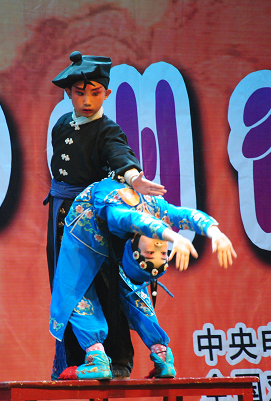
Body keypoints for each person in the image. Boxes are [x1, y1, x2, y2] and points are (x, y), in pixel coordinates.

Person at [45, 51, 166, 379]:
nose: (87, 100)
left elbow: (120, 155)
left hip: (93, 220)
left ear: (106, 94)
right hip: (63, 217)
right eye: (80, 92)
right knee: (69, 284)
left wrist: (133, 178)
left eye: (95, 93)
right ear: (68, 92)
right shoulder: (61, 125)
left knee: (103, 284)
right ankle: (80, 358)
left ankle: (113, 358)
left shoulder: (107, 130)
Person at [50, 177, 237, 380]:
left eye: (162, 252)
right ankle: (108, 357)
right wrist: (174, 236)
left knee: (135, 293)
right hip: (83, 239)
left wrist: (214, 231)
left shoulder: (155, 208)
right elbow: (135, 219)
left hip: (113, 241)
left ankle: (152, 357)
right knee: (74, 294)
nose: (158, 248)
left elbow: (184, 215)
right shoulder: (119, 208)